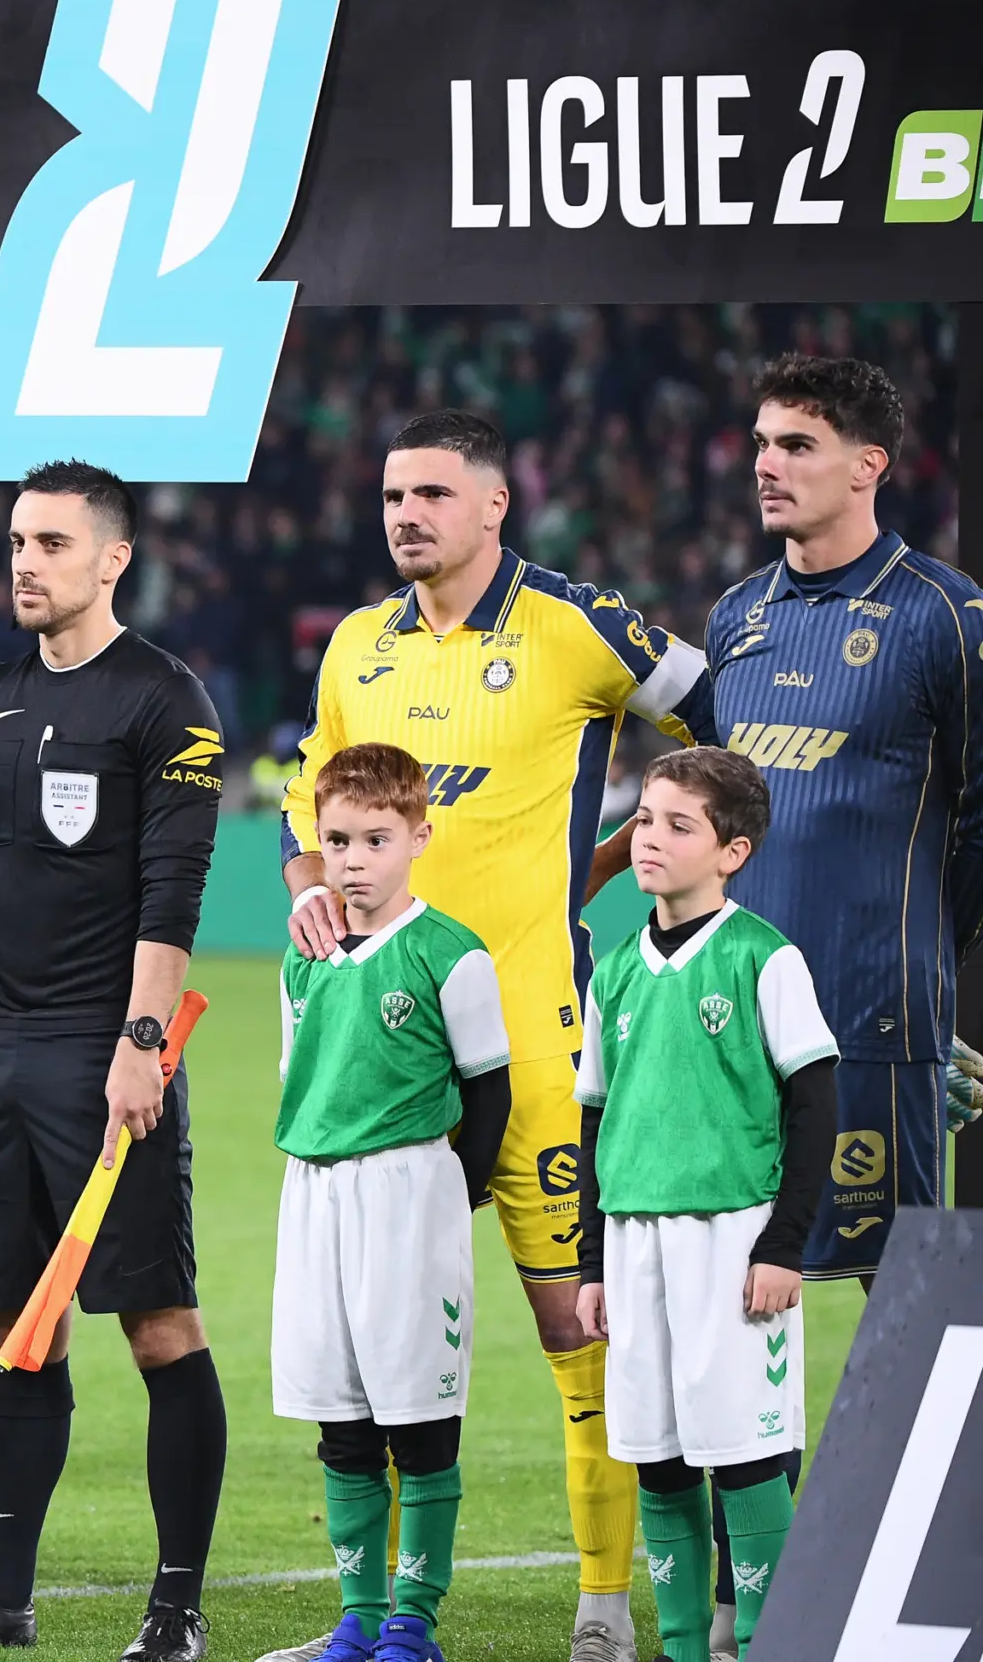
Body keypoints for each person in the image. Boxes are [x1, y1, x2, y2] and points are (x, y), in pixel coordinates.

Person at [274, 411, 715, 1662]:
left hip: (537, 1046)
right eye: (390, 496)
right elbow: (310, 798)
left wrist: (627, 858)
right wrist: (307, 880)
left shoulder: (578, 625)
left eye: (429, 494)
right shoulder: (358, 646)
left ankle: (603, 1609)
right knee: (367, 1356)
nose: (404, 514)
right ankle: (381, 1621)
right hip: (380, 1065)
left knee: (579, 1329)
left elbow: (718, 720)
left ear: (493, 506)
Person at [0, 461, 230, 1662]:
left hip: (105, 1057)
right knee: (21, 1329)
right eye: (18, 541)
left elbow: (171, 889)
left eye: (53, 545)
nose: (26, 562)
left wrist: (140, 1046)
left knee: (157, 1328)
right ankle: (1, 1597)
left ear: (112, 559)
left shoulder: (162, 701)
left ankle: (175, 1609)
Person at [706, 354, 983, 1283]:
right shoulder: (737, 616)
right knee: (735, 1278)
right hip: (737, 1020)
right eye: (760, 443)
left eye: (797, 445)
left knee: (901, 1291)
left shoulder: (947, 614)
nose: (766, 465)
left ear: (868, 465)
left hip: (875, 1018)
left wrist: (930, 966)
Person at [574, 747, 835, 1662]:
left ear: (734, 851)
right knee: (657, 1451)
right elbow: (594, 1120)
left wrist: (784, 1245)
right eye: (645, 818)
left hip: (733, 1239)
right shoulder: (613, 971)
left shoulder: (766, 957)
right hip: (636, 1239)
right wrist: (594, 1263)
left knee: (746, 1449)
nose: (650, 838)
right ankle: (684, 1646)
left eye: (679, 825)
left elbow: (814, 1107)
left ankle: (766, 1639)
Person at [264, 742, 512, 1662]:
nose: (354, 858)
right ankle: (359, 1615)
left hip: (409, 1190)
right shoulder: (304, 960)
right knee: (343, 1418)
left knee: (420, 1418)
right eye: (338, 840)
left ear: (419, 836)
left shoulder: (452, 953)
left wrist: (455, 1195)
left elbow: (489, 1093)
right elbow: (300, 1078)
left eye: (376, 838)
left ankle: (415, 1620)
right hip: (314, 1193)